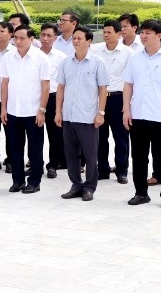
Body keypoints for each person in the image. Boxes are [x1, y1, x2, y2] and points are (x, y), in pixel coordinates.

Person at [123, 19, 161, 209]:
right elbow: (128, 85)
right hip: (138, 115)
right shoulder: (135, 58)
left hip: (160, 116)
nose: (143, 36)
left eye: (148, 33)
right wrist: (126, 110)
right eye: (142, 33)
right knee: (138, 157)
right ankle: (141, 193)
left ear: (159, 36)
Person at [55, 26, 109, 202]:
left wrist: (100, 112)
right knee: (71, 154)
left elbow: (103, 89)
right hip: (69, 115)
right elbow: (61, 88)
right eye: (74, 39)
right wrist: (58, 111)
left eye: (79, 38)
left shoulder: (98, 62)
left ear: (89, 41)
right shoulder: (65, 62)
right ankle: (76, 185)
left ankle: (89, 186)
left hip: (87, 117)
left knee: (90, 154)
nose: (76, 41)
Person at [0, 25, 50, 194]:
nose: (18, 41)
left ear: (31, 39)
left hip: (33, 112)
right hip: (13, 111)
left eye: (22, 38)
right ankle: (17, 181)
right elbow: (5, 83)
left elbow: (45, 86)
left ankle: (34, 182)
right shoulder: (8, 57)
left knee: (35, 149)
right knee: (15, 148)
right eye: (16, 38)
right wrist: (4, 108)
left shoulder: (40, 58)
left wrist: (42, 110)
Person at [91, 20, 134, 184]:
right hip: (100, 99)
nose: (106, 35)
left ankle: (122, 170)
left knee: (121, 137)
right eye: (104, 32)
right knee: (100, 137)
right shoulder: (96, 50)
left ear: (118, 33)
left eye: (109, 32)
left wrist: (127, 103)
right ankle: (102, 169)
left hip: (119, 98)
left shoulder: (128, 52)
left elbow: (131, 80)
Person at [38, 22, 68, 178]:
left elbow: (63, 83)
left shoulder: (61, 58)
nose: (45, 38)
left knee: (55, 135)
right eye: (43, 35)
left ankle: (53, 165)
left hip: (54, 98)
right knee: (35, 134)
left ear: (55, 38)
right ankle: (36, 163)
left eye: (49, 35)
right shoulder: (33, 54)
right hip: (35, 98)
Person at [0, 21, 14, 172]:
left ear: (10, 34)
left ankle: (12, 160)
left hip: (10, 99)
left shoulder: (14, 53)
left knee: (11, 132)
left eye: (2, 31)